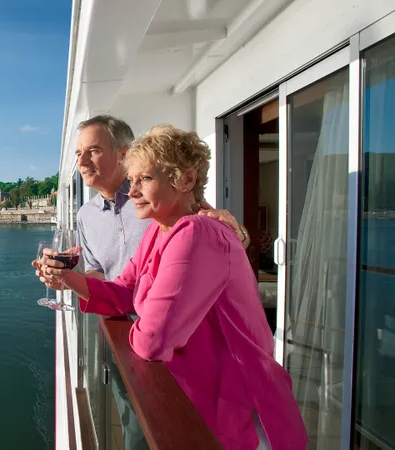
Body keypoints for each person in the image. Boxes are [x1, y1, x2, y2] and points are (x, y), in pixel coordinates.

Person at [56, 124, 307, 450]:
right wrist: (66, 278)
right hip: (200, 403)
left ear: (186, 180)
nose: (132, 191)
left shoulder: (198, 233)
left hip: (237, 416)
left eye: (144, 179)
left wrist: (138, 321)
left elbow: (153, 342)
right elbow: (122, 289)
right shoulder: (158, 232)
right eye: (131, 180)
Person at [33, 115, 249, 449]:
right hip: (128, 340)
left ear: (122, 152)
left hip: (182, 346)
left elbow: (208, 228)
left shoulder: (169, 209)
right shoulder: (90, 216)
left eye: (92, 150)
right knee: (135, 425)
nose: (81, 161)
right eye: (78, 153)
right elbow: (109, 279)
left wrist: (232, 231)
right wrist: (67, 278)